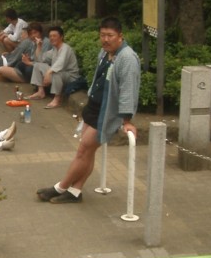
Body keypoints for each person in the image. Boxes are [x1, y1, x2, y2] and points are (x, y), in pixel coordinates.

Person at [36, 17, 141, 204]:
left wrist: (126, 120)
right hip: (94, 106)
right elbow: (98, 77)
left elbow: (128, 90)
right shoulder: (105, 52)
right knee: (88, 152)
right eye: (102, 35)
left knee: (84, 149)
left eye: (110, 35)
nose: (105, 39)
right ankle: (76, 191)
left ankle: (60, 187)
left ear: (120, 36)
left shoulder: (128, 58)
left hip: (107, 112)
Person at [27, 25, 80, 109]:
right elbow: (41, 59)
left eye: (54, 36)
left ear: (61, 37)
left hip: (70, 76)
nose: (52, 38)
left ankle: (57, 99)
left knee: (56, 72)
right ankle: (40, 92)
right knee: (38, 65)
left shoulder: (66, 48)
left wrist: (48, 72)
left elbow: (60, 64)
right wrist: (39, 46)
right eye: (50, 36)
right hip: (60, 73)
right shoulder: (54, 49)